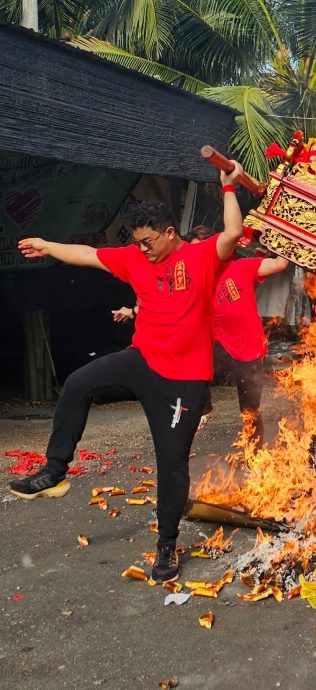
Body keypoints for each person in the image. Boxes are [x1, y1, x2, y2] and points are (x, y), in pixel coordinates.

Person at [9, 163, 244, 584]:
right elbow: (88, 255)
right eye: (137, 244)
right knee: (78, 384)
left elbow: (231, 235)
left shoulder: (200, 257)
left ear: (170, 232)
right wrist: (48, 244)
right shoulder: (136, 259)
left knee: (171, 462)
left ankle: (167, 546)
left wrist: (228, 188)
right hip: (142, 360)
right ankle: (54, 470)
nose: (143, 250)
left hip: (184, 379)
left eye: (149, 242)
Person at [188, 225, 289, 445]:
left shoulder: (242, 267)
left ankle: (254, 458)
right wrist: (132, 311)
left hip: (249, 349)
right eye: (194, 251)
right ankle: (204, 409)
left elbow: (280, 264)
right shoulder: (194, 279)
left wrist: (282, 236)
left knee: (250, 410)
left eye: (205, 249)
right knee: (193, 361)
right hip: (219, 344)